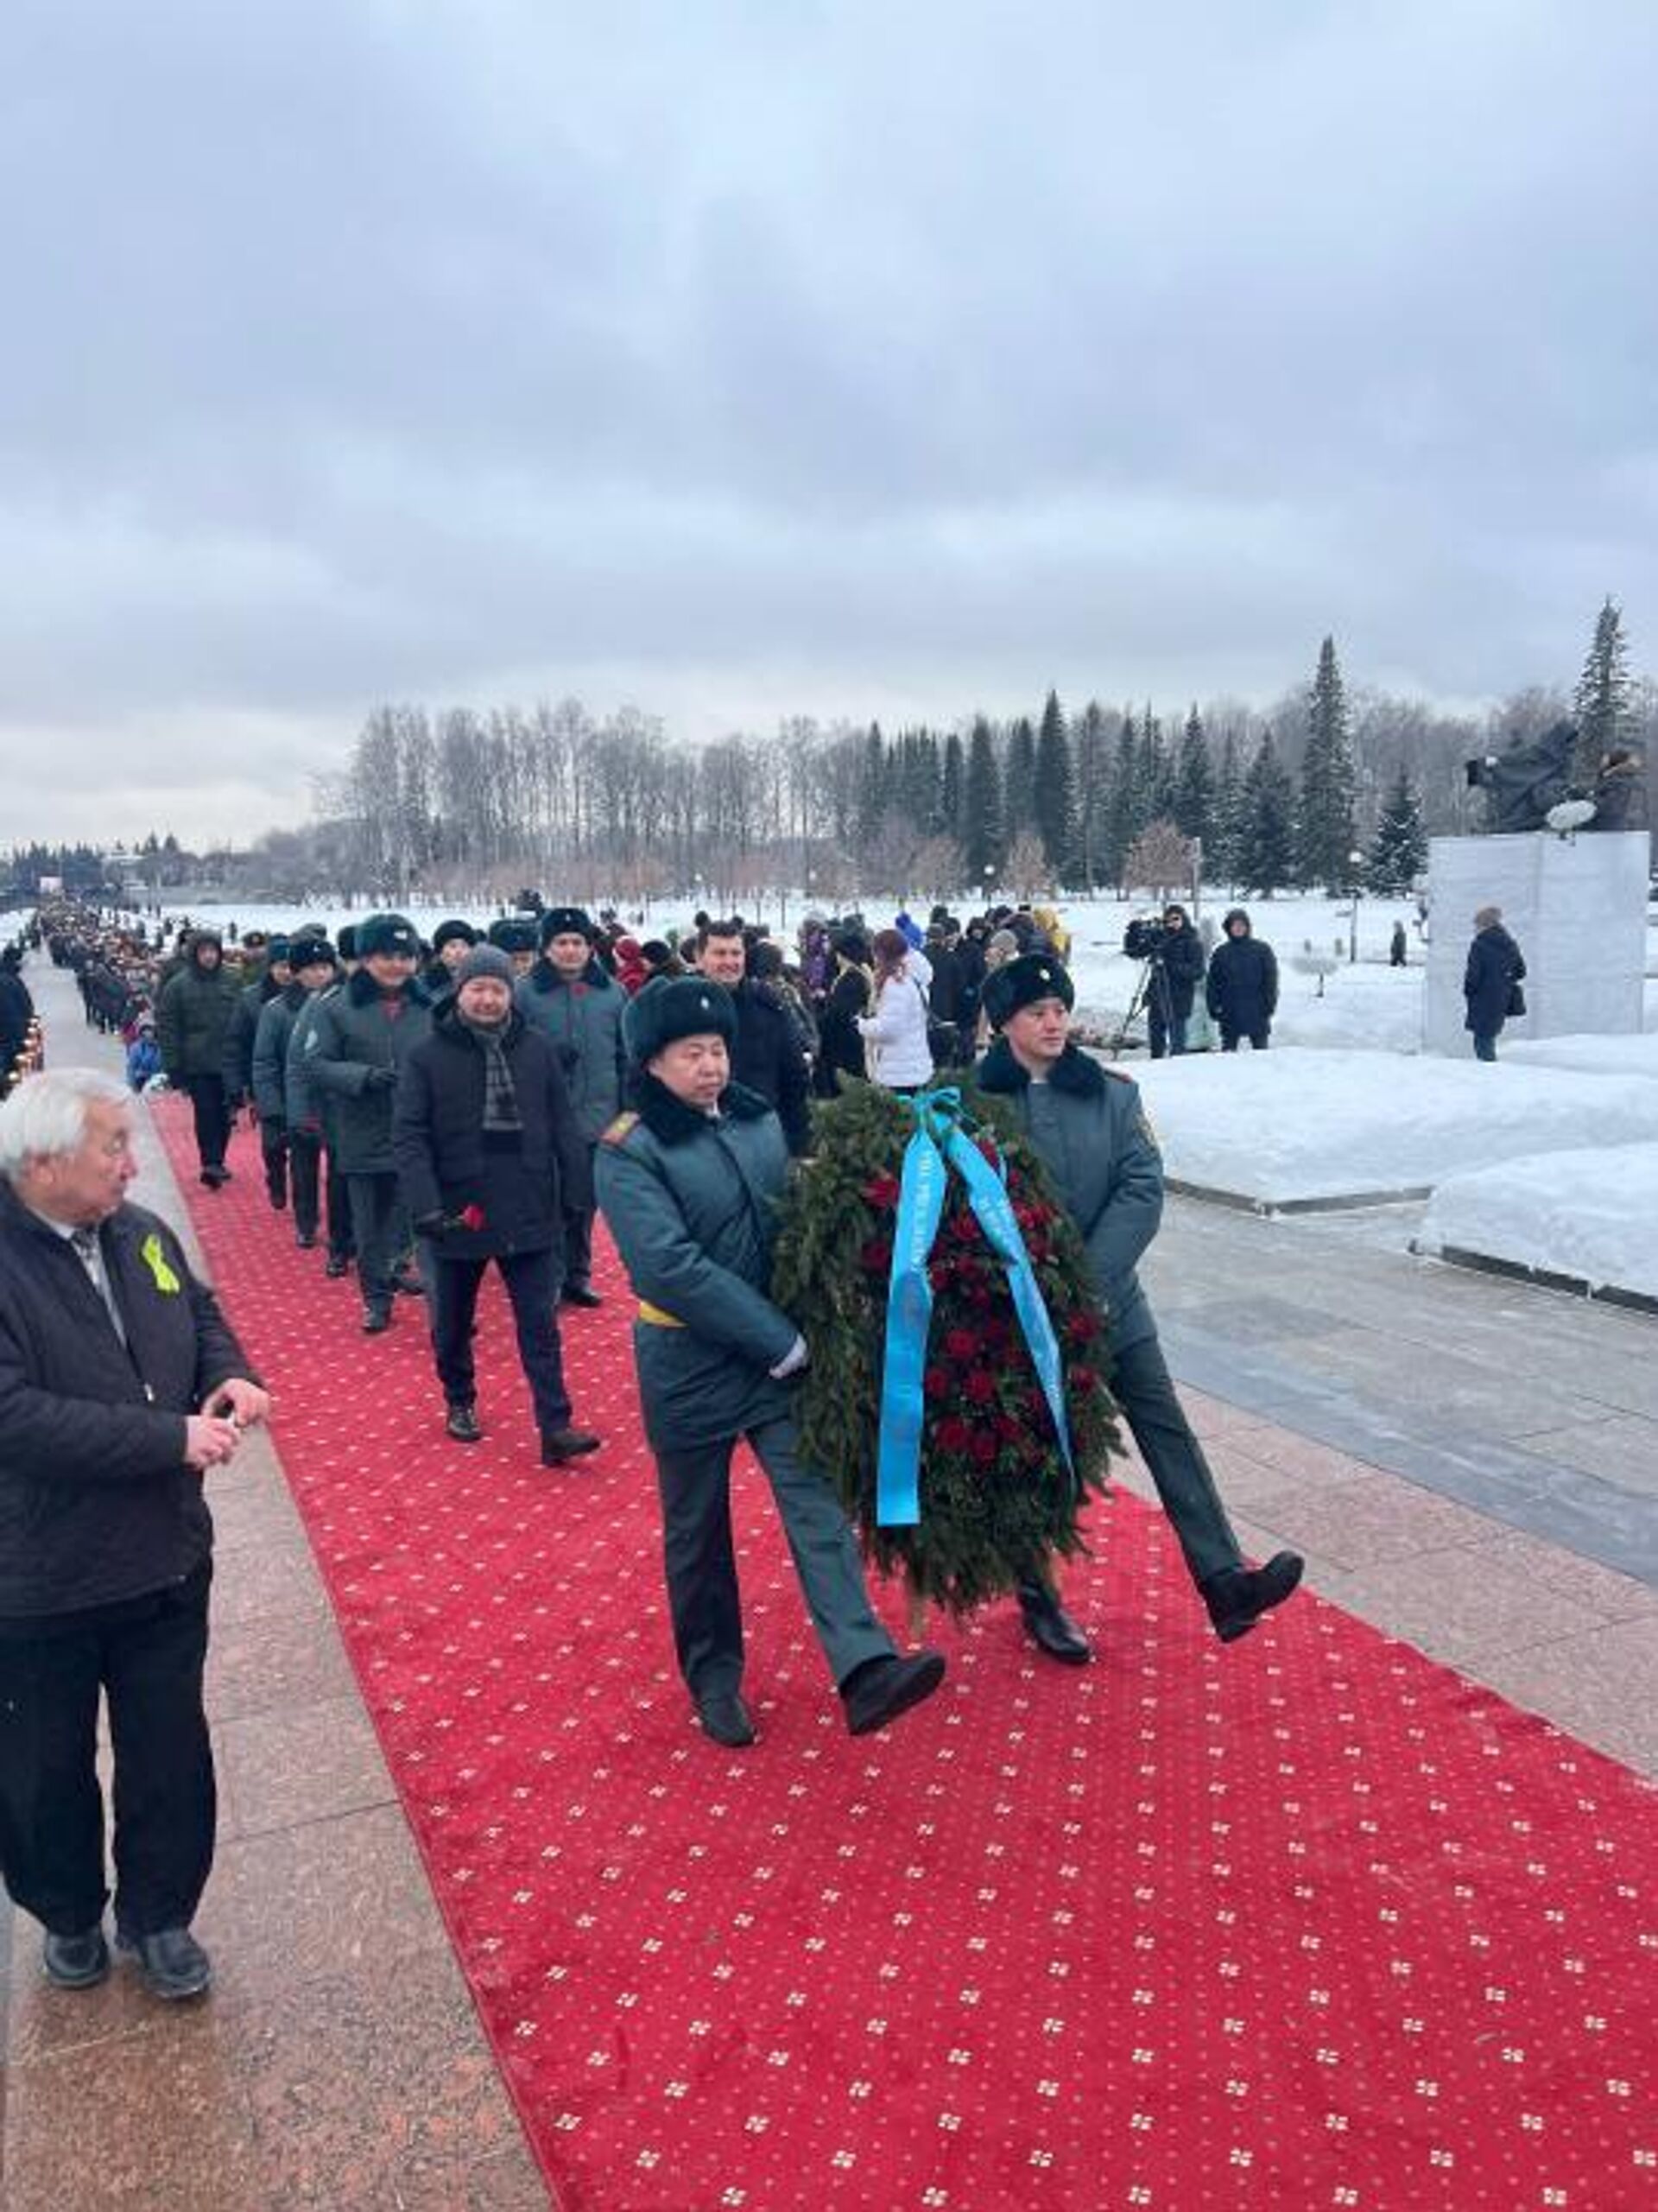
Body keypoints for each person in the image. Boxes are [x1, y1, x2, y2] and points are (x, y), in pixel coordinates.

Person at [595, 977, 946, 1747]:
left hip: (774, 1362)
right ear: (652, 1063)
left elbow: (792, 1220)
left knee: (816, 1505)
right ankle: (715, 1679)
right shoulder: (629, 1150)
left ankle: (863, 1666)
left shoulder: (756, 1121)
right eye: (691, 1054)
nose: (711, 1066)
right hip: (690, 1364)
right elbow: (670, 1268)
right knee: (697, 1532)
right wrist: (781, 1340)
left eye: (716, 1049)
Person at [0, 1068, 269, 2000]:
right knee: (42, 1763)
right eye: (111, 1144)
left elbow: (196, 1310)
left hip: (162, 1552)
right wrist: (169, 1436)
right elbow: (14, 1415)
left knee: (167, 1749)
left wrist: (231, 1375)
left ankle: (160, 1913)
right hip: (38, 1570)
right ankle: (68, 1909)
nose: (132, 1158)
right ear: (41, 1163)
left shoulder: (136, 1228)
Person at [973, 954, 1302, 1657]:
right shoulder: (972, 1105)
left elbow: (1141, 1187)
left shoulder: (1114, 1095)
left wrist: (1085, 1284)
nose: (1055, 1021)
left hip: (1113, 1304)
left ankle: (1224, 1581)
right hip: (1023, 1322)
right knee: (1039, 1458)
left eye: (1060, 1007)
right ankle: (1039, 1596)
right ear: (1006, 1024)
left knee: (1168, 1431)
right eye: (1037, 1012)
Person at [396, 946, 601, 1463]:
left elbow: (563, 1125)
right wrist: (425, 1208)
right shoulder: (425, 1056)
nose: (488, 999)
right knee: (452, 1321)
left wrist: (579, 1188)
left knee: (540, 1324)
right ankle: (459, 1398)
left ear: (511, 993)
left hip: (530, 1202)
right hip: (457, 1212)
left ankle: (555, 1425)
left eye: (498, 989)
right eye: (478, 989)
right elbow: (411, 1137)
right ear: (459, 991)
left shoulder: (536, 1048)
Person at [303, 913, 433, 1331]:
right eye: (386, 956)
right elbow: (316, 1063)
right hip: (360, 1129)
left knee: (412, 1211)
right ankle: (375, 1298)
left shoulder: (429, 1005)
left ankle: (398, 1265)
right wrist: (362, 1077)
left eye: (405, 956)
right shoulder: (336, 1006)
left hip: (416, 1130)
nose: (397, 965)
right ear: (365, 958)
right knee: (368, 1221)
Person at [516, 905, 629, 1308]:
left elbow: (624, 1055)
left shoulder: (612, 993)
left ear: (589, 947)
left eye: (577, 942)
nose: (569, 950)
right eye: (560, 943)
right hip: (546, 1117)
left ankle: (578, 1276)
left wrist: (627, 1109)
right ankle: (551, 1276)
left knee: (584, 1203)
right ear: (546, 948)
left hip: (600, 1116)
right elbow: (510, 1050)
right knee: (551, 1202)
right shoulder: (525, 993)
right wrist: (543, 1056)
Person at [694, 920, 813, 1153]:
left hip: (760, 1135)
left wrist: (796, 1140)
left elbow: (794, 1077)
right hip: (699, 1140)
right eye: (720, 953)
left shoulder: (768, 1005)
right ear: (699, 958)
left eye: (736, 953)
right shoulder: (679, 1008)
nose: (730, 962)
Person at [155, 929, 240, 1186]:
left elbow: (243, 1021)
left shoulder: (232, 981)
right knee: (205, 1113)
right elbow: (168, 1028)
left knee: (225, 1114)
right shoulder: (178, 986)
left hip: (228, 1061)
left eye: (213, 951)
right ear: (194, 954)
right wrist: (174, 1067)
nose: (209, 956)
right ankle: (210, 1162)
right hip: (197, 1063)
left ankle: (219, 1159)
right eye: (203, 952)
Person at [857, 928, 934, 1091]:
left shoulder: (896, 985)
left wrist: (862, 1025)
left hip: (898, 1073)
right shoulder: (913, 978)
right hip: (915, 1066)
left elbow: (890, 1030)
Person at [1205, 908, 1278, 1051]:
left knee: (1261, 1053)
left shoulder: (1262, 949)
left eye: (1242, 925)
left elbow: (1271, 979)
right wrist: (1213, 1005)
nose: (1238, 928)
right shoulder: (1221, 952)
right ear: (1229, 928)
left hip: (1257, 1008)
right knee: (1228, 1054)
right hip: (1230, 1009)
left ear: (1248, 927)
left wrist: (1270, 1003)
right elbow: (1213, 982)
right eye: (1235, 925)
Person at [1464, 905, 1527, 1062]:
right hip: (1502, 997)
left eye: (1477, 924)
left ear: (1485, 925)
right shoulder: (1510, 943)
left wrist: (1468, 990)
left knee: (1482, 1041)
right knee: (1488, 1036)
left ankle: (1491, 1076)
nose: (1475, 928)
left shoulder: (1479, 945)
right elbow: (1521, 972)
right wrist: (1503, 979)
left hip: (1483, 998)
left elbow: (1473, 976)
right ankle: (1491, 1073)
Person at [813, 929, 872, 1096]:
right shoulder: (861, 974)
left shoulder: (851, 979)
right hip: (851, 1042)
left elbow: (840, 1012)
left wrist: (818, 1023)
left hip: (844, 1046)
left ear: (844, 955)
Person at [1147, 903, 1206, 1059]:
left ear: (1183, 919)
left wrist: (1171, 966)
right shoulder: (1161, 940)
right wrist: (1148, 993)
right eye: (1168, 920)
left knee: (1177, 1039)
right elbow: (1154, 971)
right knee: (1155, 1036)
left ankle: (1178, 1067)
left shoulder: (1192, 942)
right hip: (1158, 996)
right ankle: (1156, 1062)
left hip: (1178, 999)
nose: (1172, 923)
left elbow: (1198, 972)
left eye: (1176, 919)